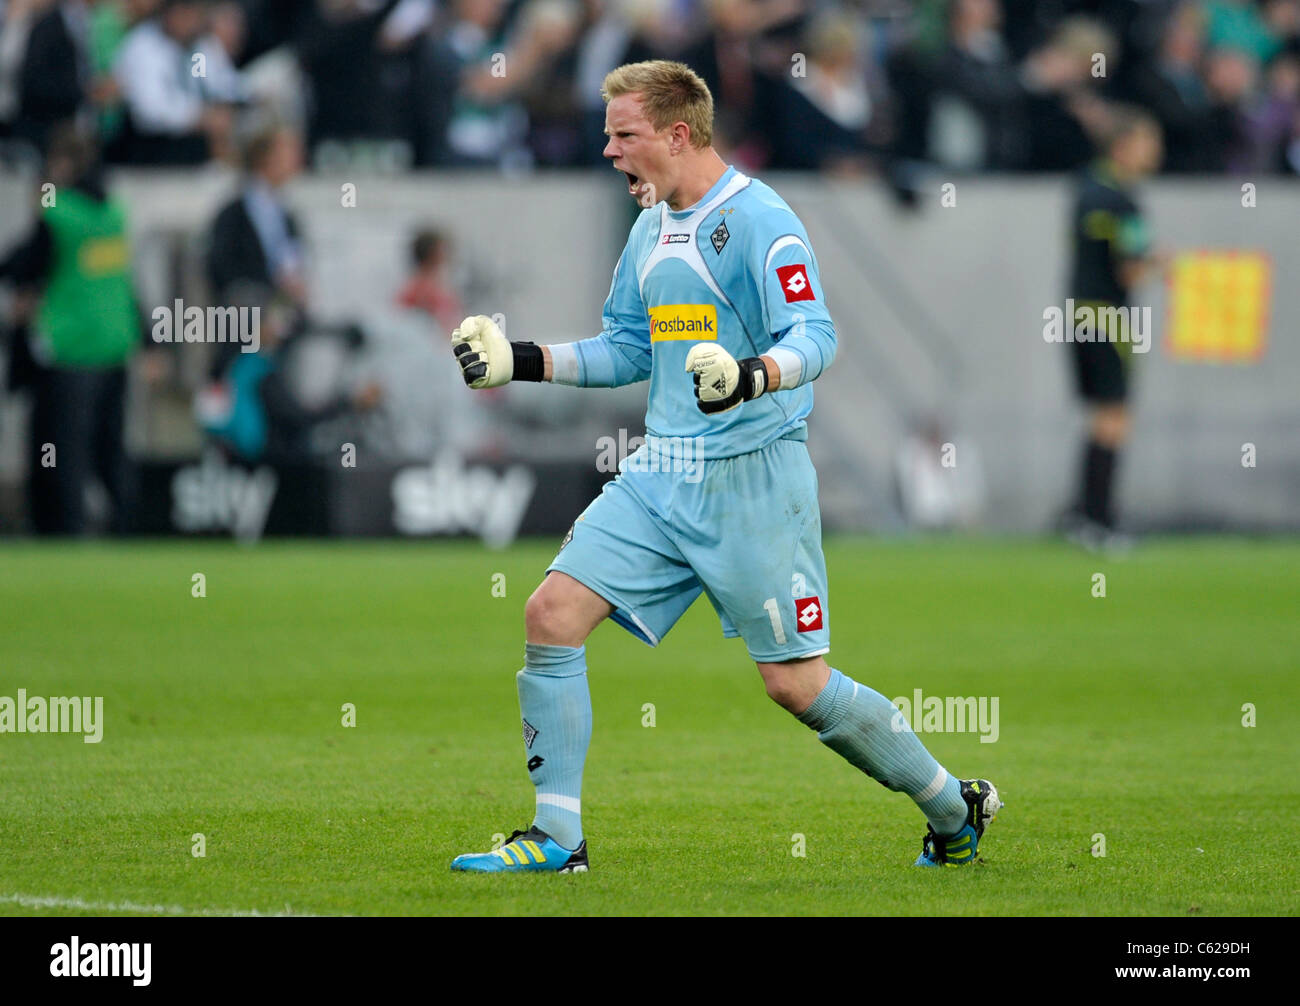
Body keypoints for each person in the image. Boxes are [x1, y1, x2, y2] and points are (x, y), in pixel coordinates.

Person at [447, 60, 1001, 874]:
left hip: (753, 483)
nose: (609, 150)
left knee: (796, 687)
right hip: (661, 474)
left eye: (623, 134)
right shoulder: (648, 226)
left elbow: (816, 335)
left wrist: (753, 375)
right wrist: (519, 361)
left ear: (678, 134)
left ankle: (955, 807)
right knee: (550, 615)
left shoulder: (759, 218)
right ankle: (558, 839)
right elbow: (628, 350)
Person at [1060, 105, 1164, 550]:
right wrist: (1162, 264)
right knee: (1114, 416)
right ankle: (1100, 522)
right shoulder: (1124, 199)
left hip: (1077, 311)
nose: (1154, 151)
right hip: (1111, 317)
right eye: (1147, 141)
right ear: (1124, 147)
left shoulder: (1085, 188)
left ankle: (1083, 515)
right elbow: (1130, 272)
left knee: (1099, 415)